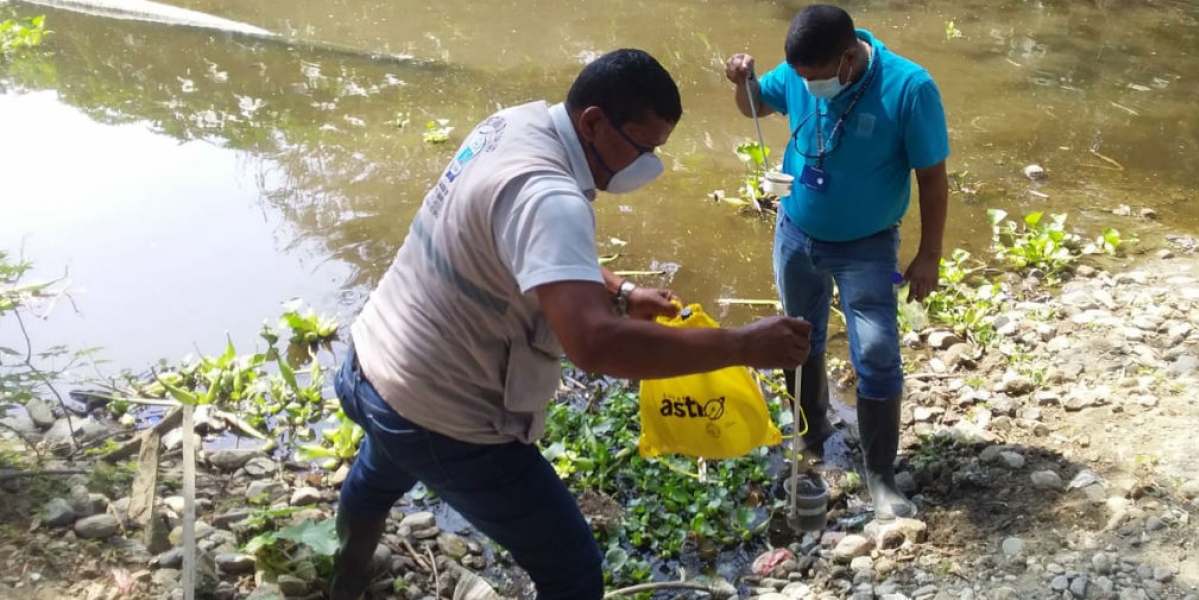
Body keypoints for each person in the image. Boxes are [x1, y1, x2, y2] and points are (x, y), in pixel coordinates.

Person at [329, 48, 813, 600]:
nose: (647, 165)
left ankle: (345, 579)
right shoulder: (551, 196)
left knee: (374, 480)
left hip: (371, 363)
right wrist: (742, 345)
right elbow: (595, 345)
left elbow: (526, 246)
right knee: (573, 573)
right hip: (442, 411)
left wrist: (621, 290)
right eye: (643, 148)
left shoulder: (515, 125)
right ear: (593, 122)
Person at [724, 4, 950, 522]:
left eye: (816, 78)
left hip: (866, 246)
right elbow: (756, 105)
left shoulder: (909, 89)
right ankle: (812, 434)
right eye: (799, 77)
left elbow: (933, 178)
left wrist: (929, 255)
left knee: (875, 353)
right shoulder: (806, 70)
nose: (807, 86)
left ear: (848, 59)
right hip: (795, 231)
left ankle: (880, 477)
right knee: (798, 337)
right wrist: (742, 80)